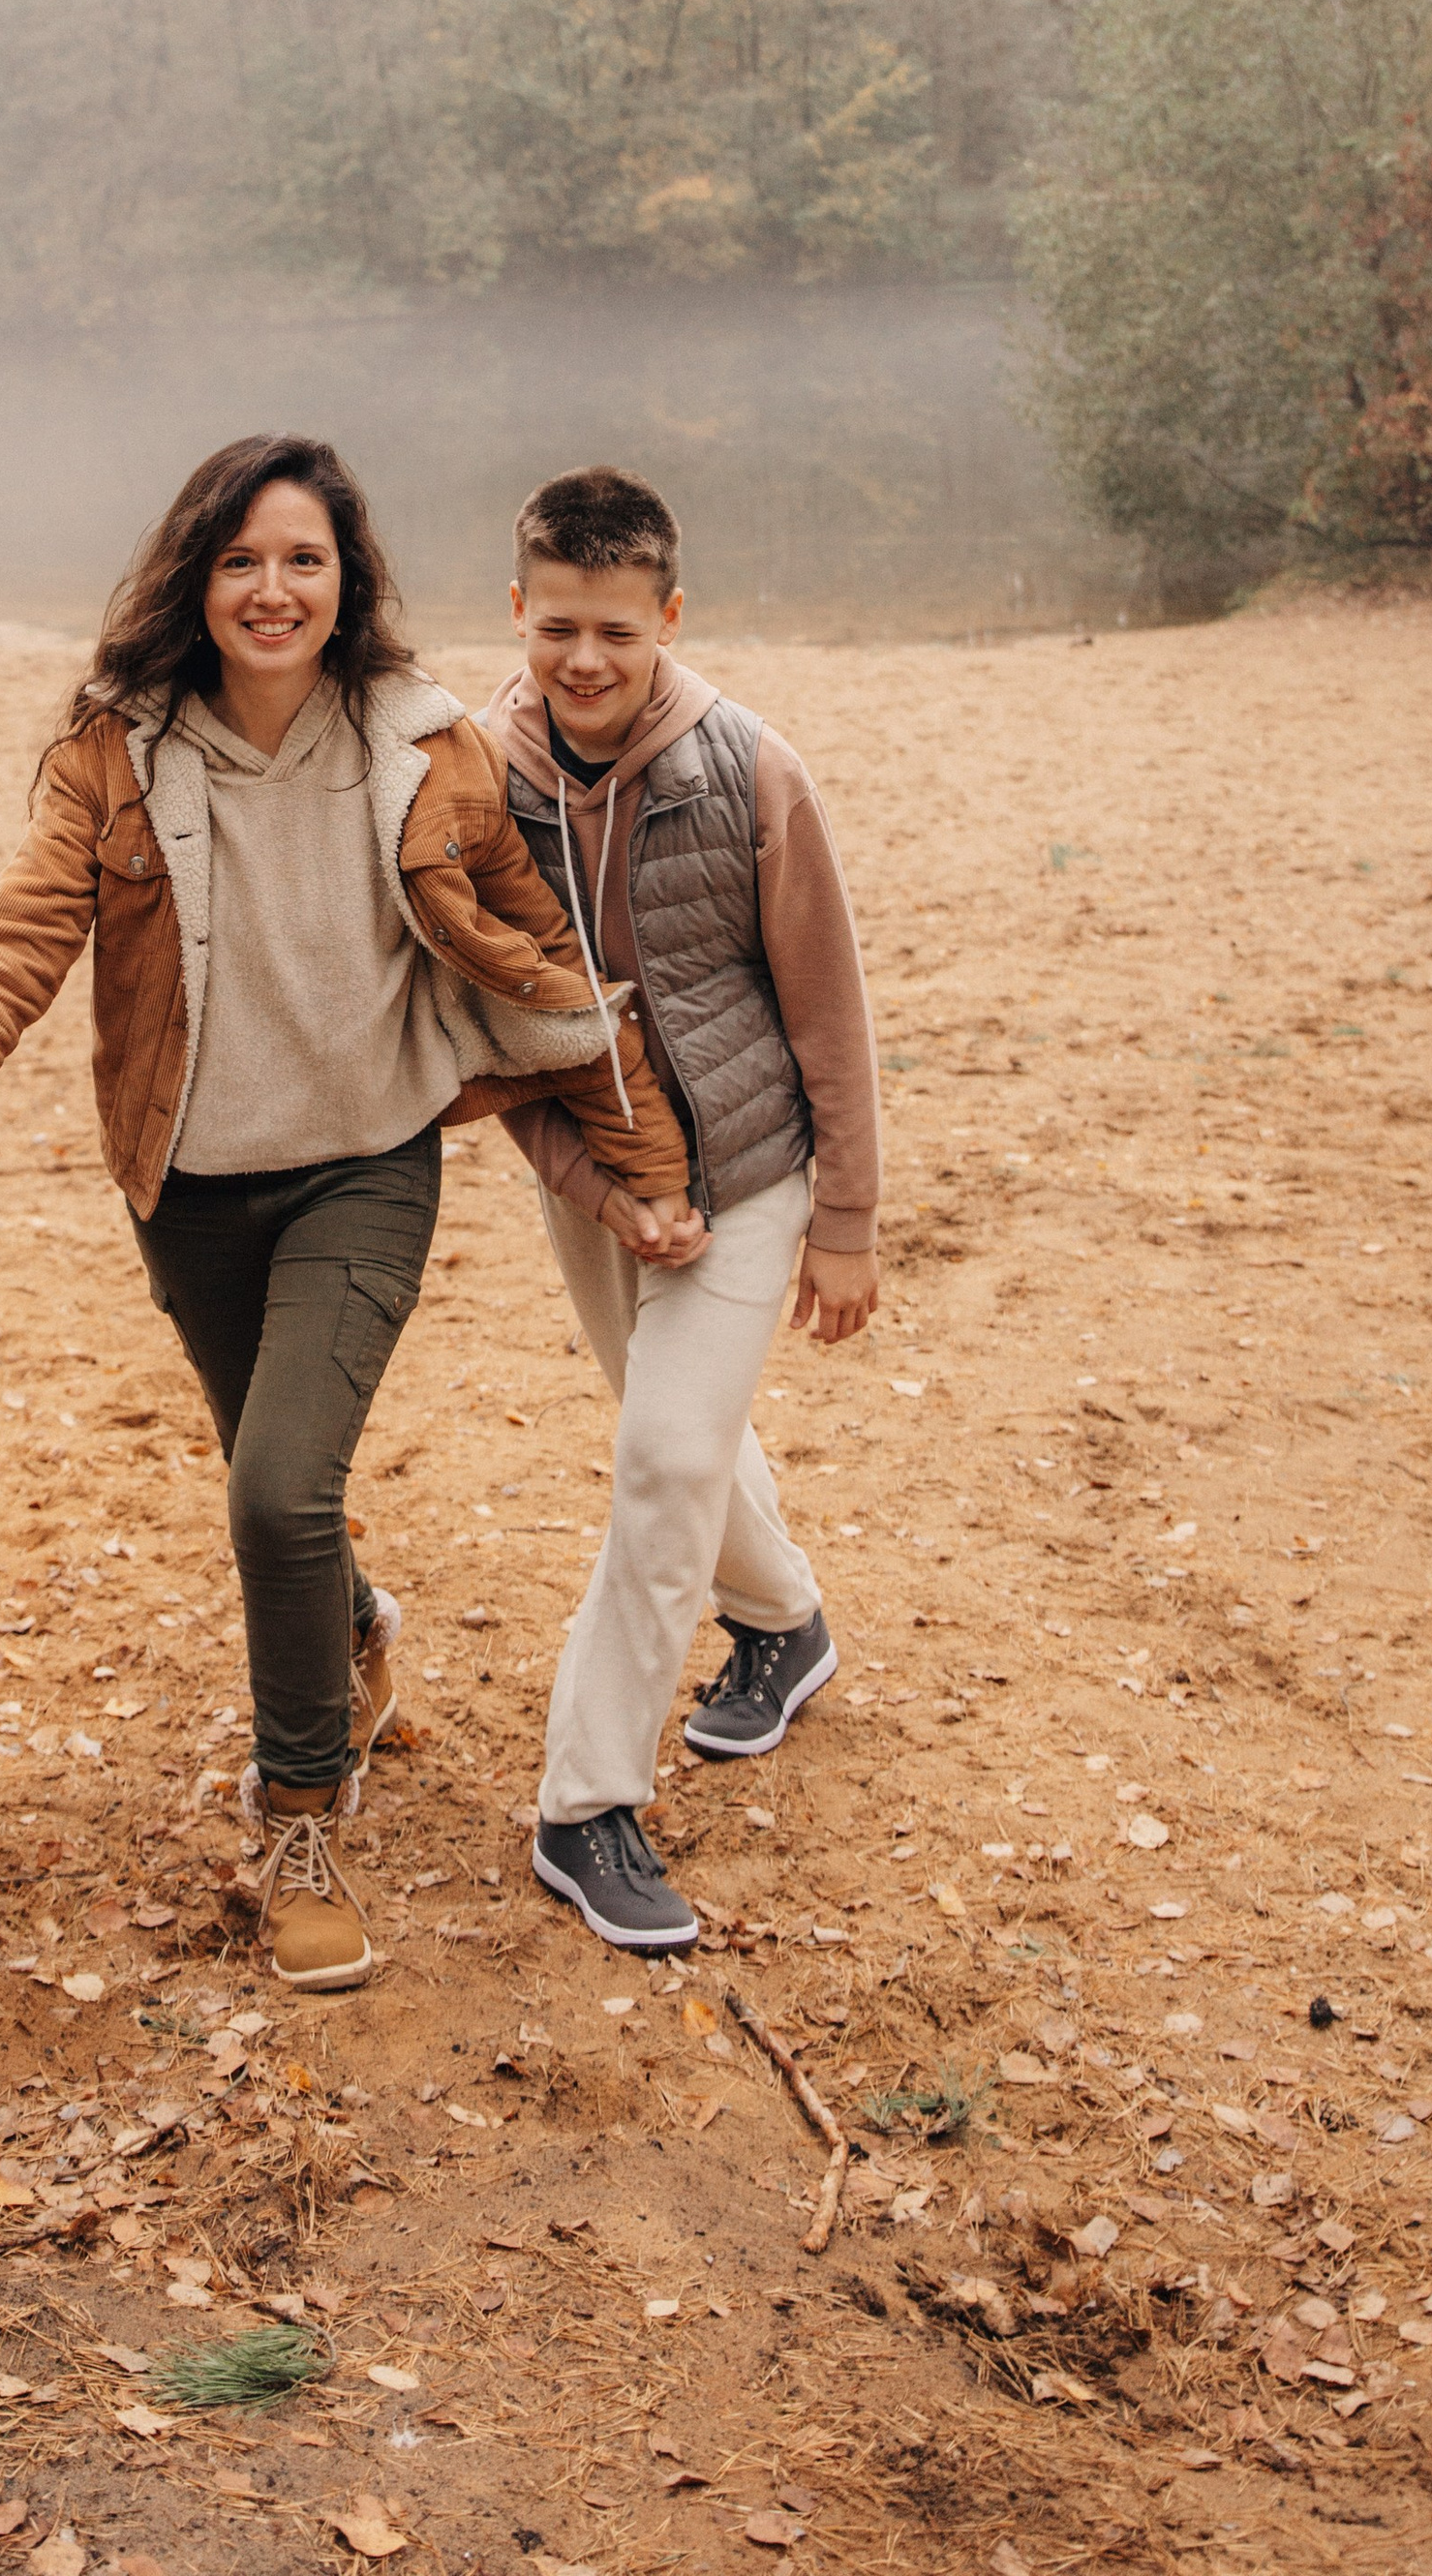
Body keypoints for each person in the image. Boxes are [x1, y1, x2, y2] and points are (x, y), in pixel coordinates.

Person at [0, 432, 689, 1993]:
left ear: (347, 577)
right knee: (274, 1487)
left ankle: (300, 1814)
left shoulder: (427, 749)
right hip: (186, 1186)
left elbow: (544, 962)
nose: (274, 588)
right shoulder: (119, 749)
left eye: (305, 559)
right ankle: (354, 1633)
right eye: (243, 561)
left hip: (367, 1164)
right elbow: (18, 940)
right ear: (197, 578)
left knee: (275, 1494)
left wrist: (651, 1179)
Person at [477, 466, 881, 1954]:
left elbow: (830, 1014)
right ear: (519, 609)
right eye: (560, 627)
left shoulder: (753, 773)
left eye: (620, 634)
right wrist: (598, 1190)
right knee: (681, 1444)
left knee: (660, 1462)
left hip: (755, 1178)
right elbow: (485, 1029)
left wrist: (847, 1218)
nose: (586, 662)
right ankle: (784, 1621)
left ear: (669, 619)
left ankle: (585, 1805)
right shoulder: (473, 773)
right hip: (593, 1186)